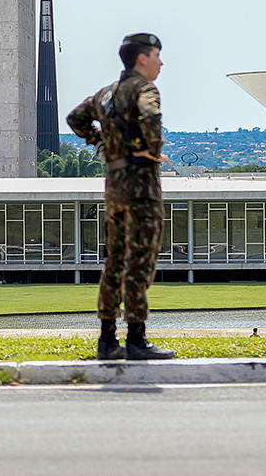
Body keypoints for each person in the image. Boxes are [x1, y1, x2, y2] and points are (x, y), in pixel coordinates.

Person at [67, 32, 176, 361]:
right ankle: (137, 339)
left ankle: (107, 339)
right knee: (140, 260)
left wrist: (102, 144)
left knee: (114, 260)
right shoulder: (144, 89)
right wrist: (149, 150)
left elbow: (76, 118)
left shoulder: (106, 94)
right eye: (156, 55)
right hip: (141, 182)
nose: (160, 62)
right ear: (142, 58)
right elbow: (150, 116)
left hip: (114, 183)